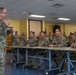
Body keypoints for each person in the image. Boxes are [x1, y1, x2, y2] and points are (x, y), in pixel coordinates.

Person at [0, 7, 10, 75]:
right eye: (5, 13)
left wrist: (9, 31)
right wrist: (6, 25)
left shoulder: (2, 21)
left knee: (2, 63)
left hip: (2, 46)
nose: (6, 14)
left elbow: (2, 33)